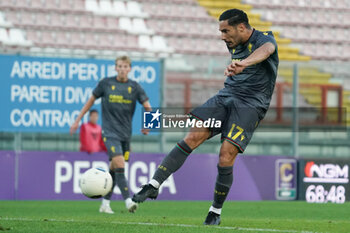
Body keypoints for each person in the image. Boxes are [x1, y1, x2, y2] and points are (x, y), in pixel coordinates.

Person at [132, 8, 279, 225]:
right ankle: (153, 185)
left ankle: (215, 212)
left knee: (226, 154)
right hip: (226, 96)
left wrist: (244, 63)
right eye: (220, 31)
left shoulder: (264, 39)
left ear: (241, 27)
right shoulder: (233, 42)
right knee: (192, 136)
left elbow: (267, 50)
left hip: (250, 105)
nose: (222, 36)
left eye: (225, 31)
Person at [70, 55, 152, 214]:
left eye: (125, 66)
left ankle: (105, 204)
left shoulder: (135, 87)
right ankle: (129, 201)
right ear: (115, 68)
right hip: (109, 133)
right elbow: (90, 101)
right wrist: (77, 120)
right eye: (119, 66)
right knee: (120, 165)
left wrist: (148, 125)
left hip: (125, 136)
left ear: (130, 69)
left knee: (115, 169)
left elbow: (148, 107)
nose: (122, 69)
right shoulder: (106, 84)